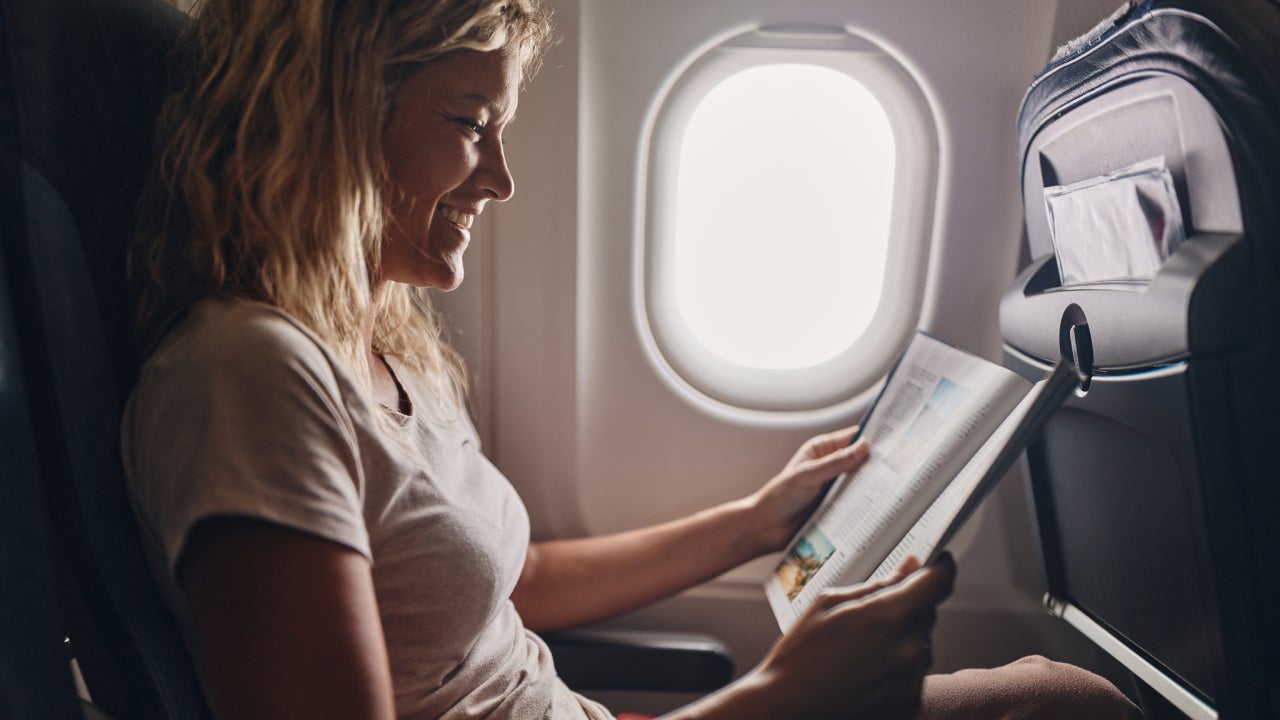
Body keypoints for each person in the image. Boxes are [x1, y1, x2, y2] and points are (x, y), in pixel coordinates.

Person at [122, 1, 1142, 718]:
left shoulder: (386, 346)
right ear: (330, 110)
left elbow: (508, 581)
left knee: (1060, 702)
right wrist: (777, 703)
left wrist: (750, 526)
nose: (501, 180)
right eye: (470, 124)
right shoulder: (247, 377)